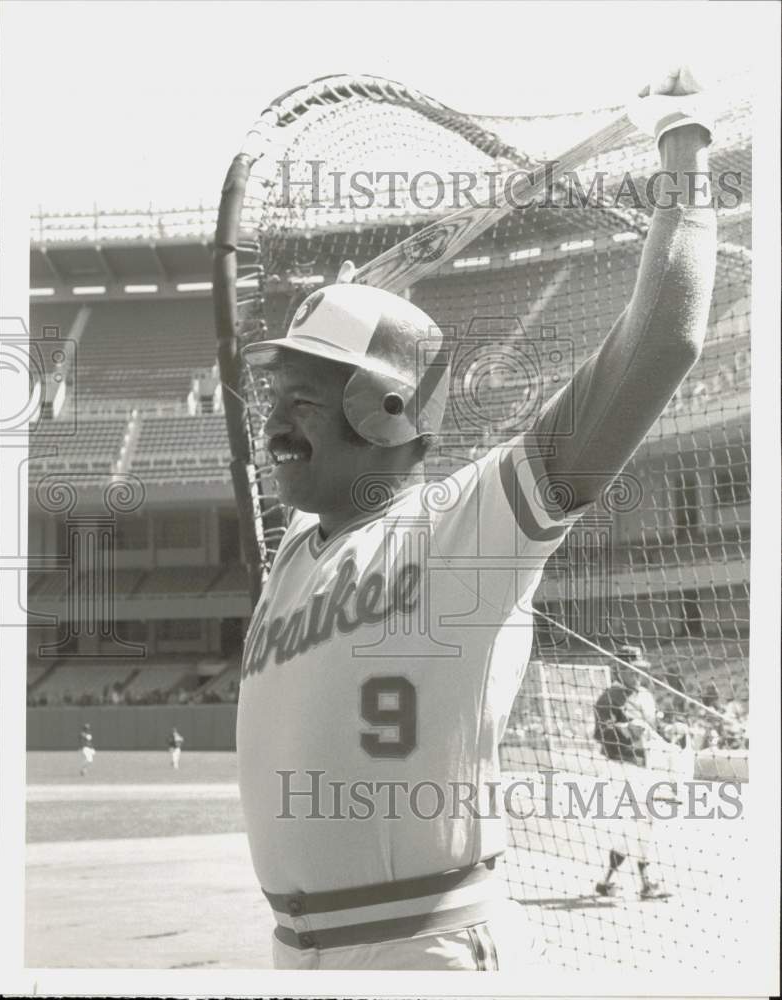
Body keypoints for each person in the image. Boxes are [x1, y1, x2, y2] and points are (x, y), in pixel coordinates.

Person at [236, 68, 718, 970]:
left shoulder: (469, 526)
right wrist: (334, 315)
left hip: (422, 951)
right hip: (296, 952)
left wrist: (684, 145)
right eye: (275, 397)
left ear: (384, 411)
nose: (272, 423)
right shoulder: (298, 552)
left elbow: (664, 339)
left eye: (301, 399)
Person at [593, 645, 669, 899]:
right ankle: (646, 883)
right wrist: (625, 728)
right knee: (643, 818)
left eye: (640, 669)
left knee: (635, 823)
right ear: (619, 669)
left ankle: (608, 881)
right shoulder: (608, 698)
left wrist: (673, 729)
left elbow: (657, 728)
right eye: (631, 669)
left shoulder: (645, 695)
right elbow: (601, 733)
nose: (637, 674)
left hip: (643, 763)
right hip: (619, 764)